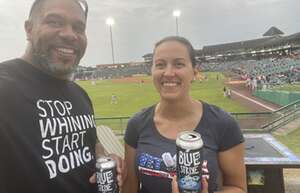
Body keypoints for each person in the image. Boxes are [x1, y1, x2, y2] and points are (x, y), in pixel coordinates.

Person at [0, 0, 125, 193]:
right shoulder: (5, 87)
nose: (69, 34)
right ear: (29, 29)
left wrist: (105, 158)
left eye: (78, 27)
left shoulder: (80, 94)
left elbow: (93, 145)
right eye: (54, 22)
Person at [123, 36, 246, 193]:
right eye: (160, 65)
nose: (168, 72)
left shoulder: (223, 123)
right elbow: (130, 188)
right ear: (152, 71)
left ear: (194, 72)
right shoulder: (136, 124)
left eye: (179, 64)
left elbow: (238, 187)